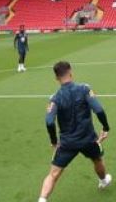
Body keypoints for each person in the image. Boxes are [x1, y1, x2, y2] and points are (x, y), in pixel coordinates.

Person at [38, 61, 112, 202]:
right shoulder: (84, 89)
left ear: (56, 78)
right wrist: (105, 128)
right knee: (97, 159)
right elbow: (99, 110)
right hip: (88, 139)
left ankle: (42, 199)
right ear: (71, 72)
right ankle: (103, 180)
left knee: (53, 174)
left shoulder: (55, 98)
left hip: (67, 143)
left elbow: (49, 122)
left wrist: (54, 141)